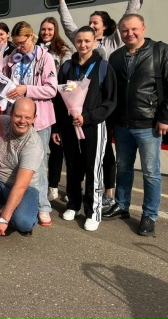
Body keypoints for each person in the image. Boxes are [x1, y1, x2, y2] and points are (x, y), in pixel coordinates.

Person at [58, 0, 156, 206]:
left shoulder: (112, 42)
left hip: (106, 106)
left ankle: (108, 194)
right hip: (83, 110)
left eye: (95, 23)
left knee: (106, 154)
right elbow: (68, 25)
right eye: (89, 23)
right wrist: (61, 2)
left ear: (104, 26)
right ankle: (81, 192)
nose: (91, 26)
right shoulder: (82, 41)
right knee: (83, 154)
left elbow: (129, 16)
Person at [103, 14, 168, 236]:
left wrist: (167, 117)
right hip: (122, 124)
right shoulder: (116, 57)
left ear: (144, 28)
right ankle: (122, 205)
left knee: (150, 172)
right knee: (123, 167)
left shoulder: (163, 51)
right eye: (125, 30)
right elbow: (112, 91)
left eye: (134, 29)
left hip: (150, 124)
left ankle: (149, 215)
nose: (129, 33)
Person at [53, 26, 117, 231]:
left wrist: (87, 117)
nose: (83, 45)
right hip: (69, 126)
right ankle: (73, 204)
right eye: (79, 41)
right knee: (72, 166)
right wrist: (58, 127)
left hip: (93, 125)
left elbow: (110, 101)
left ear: (94, 42)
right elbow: (59, 100)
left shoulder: (103, 67)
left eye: (87, 41)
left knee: (93, 168)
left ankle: (93, 212)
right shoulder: (67, 67)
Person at [3, 21, 57, 227]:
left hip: (39, 119)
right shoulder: (12, 58)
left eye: (22, 43)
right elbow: (6, 83)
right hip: (15, 117)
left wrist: (26, 89)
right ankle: (16, 201)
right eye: (16, 44)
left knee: (38, 165)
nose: (19, 47)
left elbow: (51, 89)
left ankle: (43, 206)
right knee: (14, 160)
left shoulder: (46, 58)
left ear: (31, 36)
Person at [0, 98, 44, 237]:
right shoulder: (1, 121)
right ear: (10, 113)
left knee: (23, 223)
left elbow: (20, 186)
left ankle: (17, 210)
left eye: (28, 117)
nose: (22, 121)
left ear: (34, 118)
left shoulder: (33, 145)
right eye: (18, 116)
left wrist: (3, 219)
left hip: (24, 188)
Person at [35, 16, 73, 202]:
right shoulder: (35, 48)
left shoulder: (63, 50)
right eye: (43, 29)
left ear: (55, 30)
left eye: (50, 29)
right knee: (41, 148)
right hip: (41, 102)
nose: (46, 32)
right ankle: (42, 185)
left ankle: (54, 185)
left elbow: (66, 76)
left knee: (58, 147)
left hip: (59, 102)